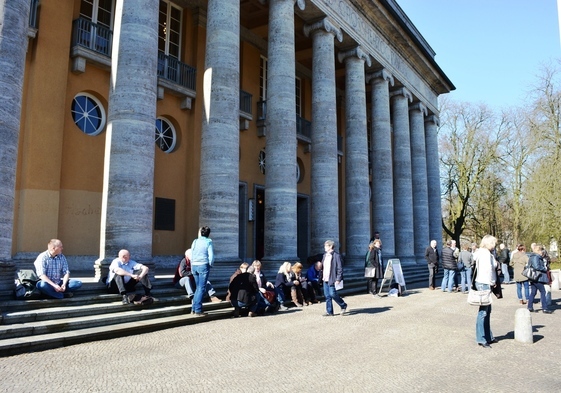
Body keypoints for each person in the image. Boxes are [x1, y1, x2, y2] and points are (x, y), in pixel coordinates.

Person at [473, 235, 499, 348]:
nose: (494, 245)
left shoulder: (481, 253)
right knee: (483, 312)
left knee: (487, 311)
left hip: (482, 282)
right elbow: (487, 270)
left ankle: (487, 336)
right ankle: (481, 338)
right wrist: (492, 282)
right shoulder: (485, 254)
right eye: (493, 243)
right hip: (485, 283)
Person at [189, 226, 214, 317]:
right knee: (201, 288)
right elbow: (211, 255)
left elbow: (192, 254)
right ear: (208, 234)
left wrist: (192, 266)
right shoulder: (208, 241)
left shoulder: (195, 241)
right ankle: (198, 310)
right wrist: (210, 264)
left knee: (198, 288)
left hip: (194, 265)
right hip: (203, 265)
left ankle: (193, 308)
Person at [321, 240, 348, 317]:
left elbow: (340, 268)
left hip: (332, 278)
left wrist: (338, 278)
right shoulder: (324, 255)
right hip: (325, 278)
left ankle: (343, 305)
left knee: (332, 294)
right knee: (327, 296)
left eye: (326, 246)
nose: (324, 247)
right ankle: (329, 312)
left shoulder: (336, 256)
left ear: (330, 246)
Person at [527, 243, 552, 314]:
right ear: (538, 251)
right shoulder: (536, 257)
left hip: (533, 277)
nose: (542, 252)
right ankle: (545, 308)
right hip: (537, 277)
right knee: (543, 292)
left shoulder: (532, 256)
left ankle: (530, 307)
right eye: (541, 250)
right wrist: (545, 269)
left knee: (533, 292)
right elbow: (537, 267)